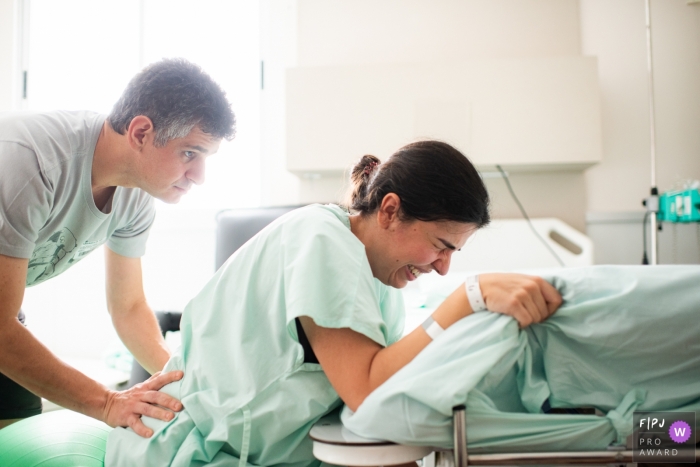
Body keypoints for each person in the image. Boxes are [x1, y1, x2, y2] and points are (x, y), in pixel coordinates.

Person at [106, 140, 562, 466]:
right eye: (440, 245)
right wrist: (466, 299)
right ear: (389, 210)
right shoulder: (321, 240)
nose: (443, 268)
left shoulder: (381, 279)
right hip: (191, 449)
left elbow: (378, 390)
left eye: (453, 255)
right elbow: (364, 391)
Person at [0, 58, 236, 437]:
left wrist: (185, 382)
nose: (200, 177)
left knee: (16, 430)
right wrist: (109, 402)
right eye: (190, 153)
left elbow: (127, 307)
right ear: (141, 133)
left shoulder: (136, 196)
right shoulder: (31, 162)